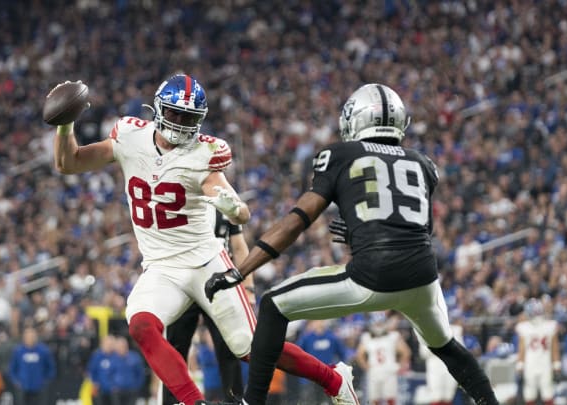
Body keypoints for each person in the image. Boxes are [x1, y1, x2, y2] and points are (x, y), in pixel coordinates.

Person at [50, 73, 358, 405]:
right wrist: (65, 126)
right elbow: (69, 162)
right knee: (140, 324)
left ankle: (335, 379)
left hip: (205, 263)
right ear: (157, 109)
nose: (181, 123)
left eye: (189, 117)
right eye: (175, 114)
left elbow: (241, 213)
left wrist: (232, 205)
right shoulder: (130, 136)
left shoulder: (204, 152)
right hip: (160, 268)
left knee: (250, 348)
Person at [204, 83, 498, 405]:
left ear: (354, 120)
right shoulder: (423, 163)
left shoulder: (340, 155)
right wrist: (364, 229)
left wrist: (240, 270)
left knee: (274, 303)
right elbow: (416, 226)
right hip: (423, 279)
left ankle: (252, 403)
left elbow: (297, 221)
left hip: (373, 275)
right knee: (446, 346)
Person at [162, 208, 253, 405]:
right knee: (175, 349)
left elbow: (238, 246)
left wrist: (249, 288)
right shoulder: (181, 201)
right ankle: (172, 402)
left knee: (229, 345)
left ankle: (234, 400)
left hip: (219, 281)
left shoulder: (223, 205)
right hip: (185, 281)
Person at [355, 314, 410, 405]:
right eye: (377, 324)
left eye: (380, 324)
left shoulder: (392, 336)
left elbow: (405, 352)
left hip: (389, 371)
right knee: (374, 399)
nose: (378, 326)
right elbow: (359, 354)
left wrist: (400, 366)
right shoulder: (367, 337)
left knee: (390, 398)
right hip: (374, 371)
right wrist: (366, 366)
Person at [515, 298, 560, 405]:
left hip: (531, 366)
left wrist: (519, 368)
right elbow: (555, 349)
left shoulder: (524, 327)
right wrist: (557, 367)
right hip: (545, 365)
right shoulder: (550, 326)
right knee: (546, 395)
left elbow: (521, 351)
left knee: (532, 396)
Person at [8, 327, 56, 405]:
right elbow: (12, 368)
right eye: (27, 336)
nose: (30, 339)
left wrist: (45, 381)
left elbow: (51, 368)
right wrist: (16, 381)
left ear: (36, 337)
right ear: (24, 338)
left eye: (32, 336)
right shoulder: (18, 351)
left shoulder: (44, 351)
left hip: (39, 389)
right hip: (23, 388)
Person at [112, 336, 145, 405]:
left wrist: (136, 386)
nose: (122, 348)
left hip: (131, 390)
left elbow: (140, 373)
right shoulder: (112, 358)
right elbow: (108, 374)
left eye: (124, 345)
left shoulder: (135, 357)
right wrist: (112, 385)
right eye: (120, 346)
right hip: (117, 391)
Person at [87, 335, 117, 405]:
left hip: (114, 390)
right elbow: (91, 371)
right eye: (108, 344)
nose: (110, 346)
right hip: (100, 389)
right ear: (102, 344)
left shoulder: (116, 356)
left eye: (111, 344)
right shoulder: (97, 356)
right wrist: (95, 382)